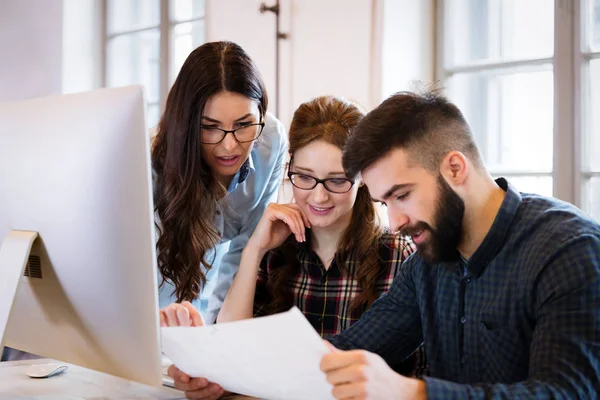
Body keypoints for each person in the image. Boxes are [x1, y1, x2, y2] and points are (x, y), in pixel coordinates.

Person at [317, 88, 600, 399]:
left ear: (455, 168)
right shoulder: (423, 266)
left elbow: (566, 392)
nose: (395, 223)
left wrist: (414, 393)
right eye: (386, 203)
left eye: (402, 196)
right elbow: (346, 353)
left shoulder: (570, 250)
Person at [160, 96, 426, 399]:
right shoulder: (276, 250)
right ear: (290, 170)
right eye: (304, 177)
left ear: (362, 177)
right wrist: (254, 251)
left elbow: (411, 375)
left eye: (337, 181)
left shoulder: (398, 255)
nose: (319, 197)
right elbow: (233, 357)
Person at [152, 41, 287, 324]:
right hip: (154, 305)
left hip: (210, 310)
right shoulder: (150, 165)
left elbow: (242, 253)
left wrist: (217, 336)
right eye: (210, 127)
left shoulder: (270, 141)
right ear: (185, 125)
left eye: (243, 124)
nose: (229, 146)